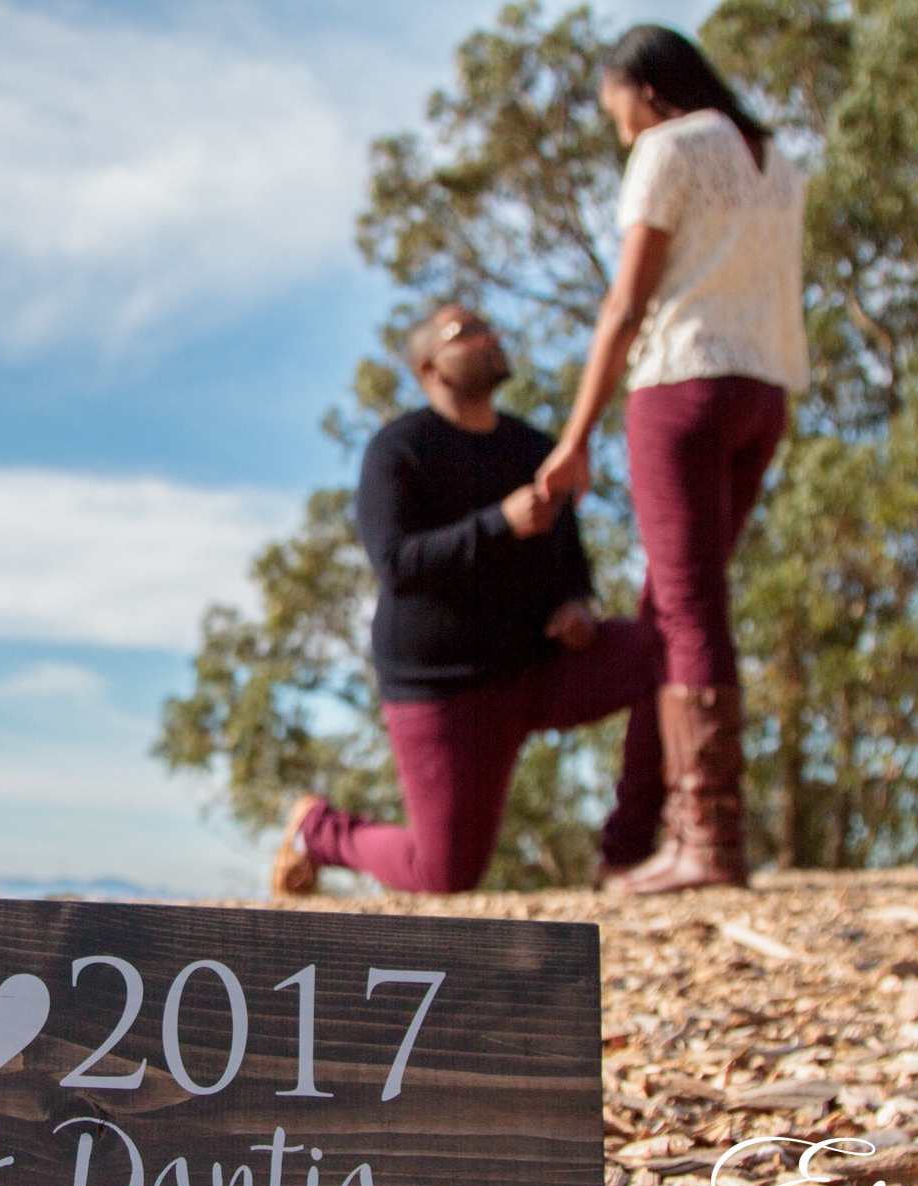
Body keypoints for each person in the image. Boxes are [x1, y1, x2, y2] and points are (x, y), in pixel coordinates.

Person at [533, 25, 809, 896]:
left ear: (646, 90)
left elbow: (625, 304)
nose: (619, 128)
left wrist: (575, 436)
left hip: (681, 390)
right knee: (672, 611)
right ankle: (632, 837)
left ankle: (709, 842)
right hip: (763, 393)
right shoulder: (779, 160)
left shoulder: (666, 147)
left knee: (686, 610)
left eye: (616, 108)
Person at [268, 303, 665, 898]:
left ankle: (627, 854)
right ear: (429, 367)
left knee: (662, 657)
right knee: (446, 875)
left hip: (536, 669)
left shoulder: (535, 448)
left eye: (488, 327)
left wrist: (577, 604)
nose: (488, 338)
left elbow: (571, 560)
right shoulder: (398, 450)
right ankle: (320, 831)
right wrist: (501, 523)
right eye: (466, 333)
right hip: (444, 687)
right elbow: (397, 564)